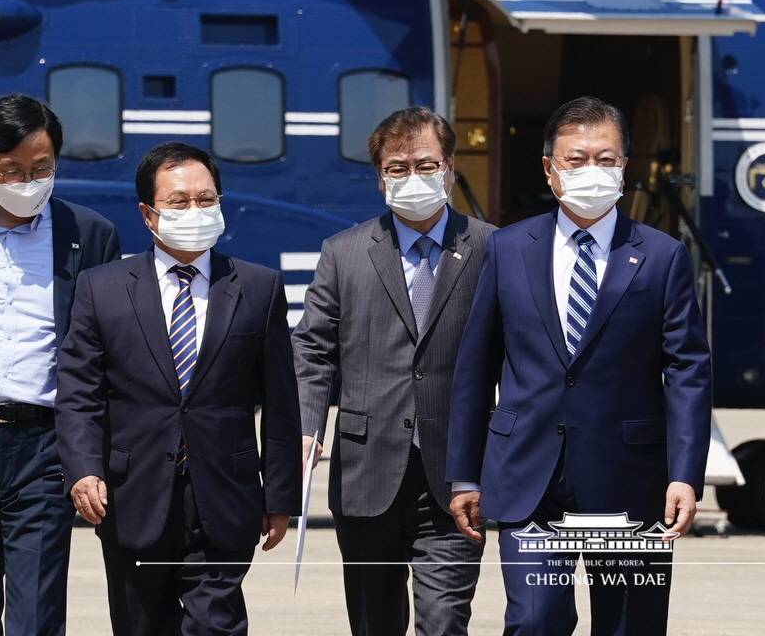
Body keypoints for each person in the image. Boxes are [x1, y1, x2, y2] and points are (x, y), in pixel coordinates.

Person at [446, 96, 712, 636]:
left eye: (606, 159)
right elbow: (476, 366)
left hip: (629, 479)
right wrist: (465, 474)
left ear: (624, 167)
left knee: (626, 626)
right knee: (535, 620)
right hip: (529, 475)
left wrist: (685, 473)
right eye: (576, 159)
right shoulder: (507, 247)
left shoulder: (661, 256)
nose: (593, 171)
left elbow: (688, 370)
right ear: (549, 169)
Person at [55, 141, 301, 636]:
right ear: (148, 214)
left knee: (217, 625)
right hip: (132, 497)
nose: (196, 210)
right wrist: (82, 470)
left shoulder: (257, 286)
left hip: (225, 495)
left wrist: (280, 496)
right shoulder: (102, 288)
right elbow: (79, 391)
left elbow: (280, 402)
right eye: (179, 201)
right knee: (141, 625)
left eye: (206, 199)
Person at [293, 107, 495, 636]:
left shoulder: (491, 249)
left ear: (450, 169)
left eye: (426, 164)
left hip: (457, 473)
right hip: (367, 470)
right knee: (373, 621)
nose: (412, 178)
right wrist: (307, 424)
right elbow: (313, 349)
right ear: (379, 176)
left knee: (445, 621)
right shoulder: (344, 253)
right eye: (397, 167)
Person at [0, 93, 120, 636]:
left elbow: (107, 351)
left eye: (41, 168)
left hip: (41, 450)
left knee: (37, 615)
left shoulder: (90, 235)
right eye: (11, 170)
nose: (28, 181)